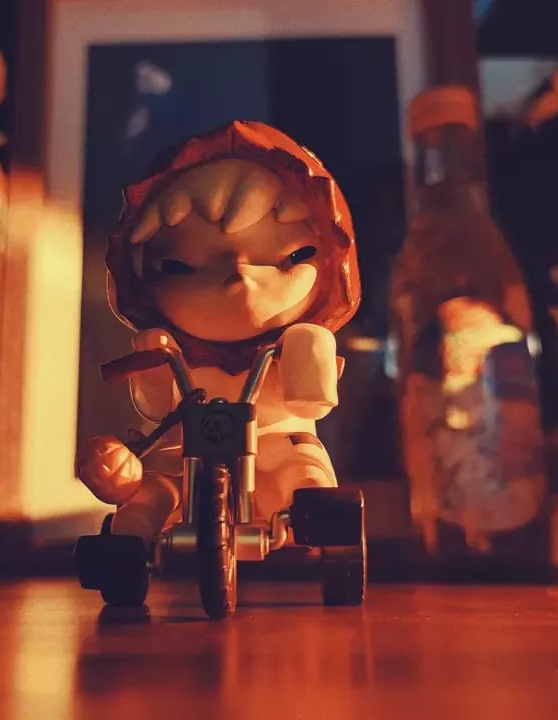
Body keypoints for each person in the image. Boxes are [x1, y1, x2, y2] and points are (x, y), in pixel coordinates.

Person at [74, 120, 362, 546]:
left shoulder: (299, 340)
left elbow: (311, 401)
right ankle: (128, 547)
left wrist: (309, 352)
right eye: (181, 267)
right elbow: (156, 407)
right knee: (152, 494)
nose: (240, 275)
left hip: (279, 442)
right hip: (186, 451)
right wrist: (153, 361)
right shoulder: (168, 346)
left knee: (302, 477)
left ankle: (316, 525)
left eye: (290, 257)